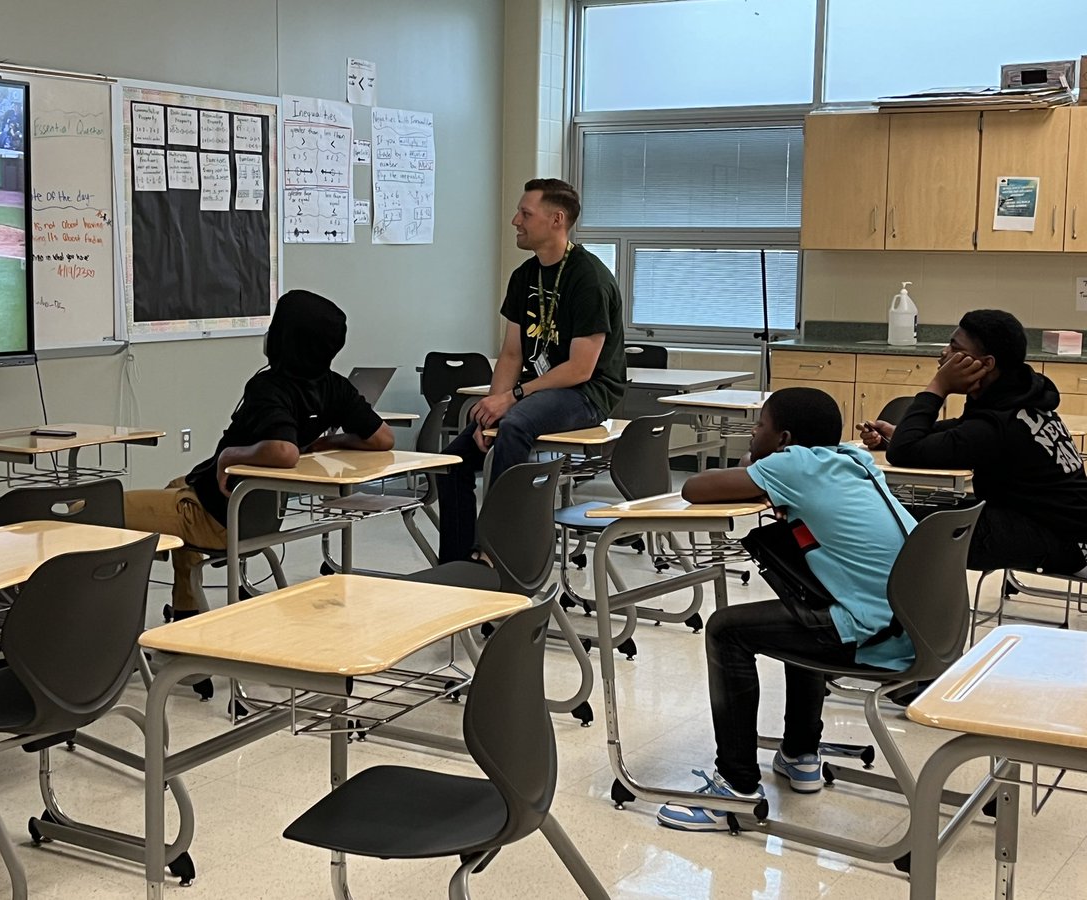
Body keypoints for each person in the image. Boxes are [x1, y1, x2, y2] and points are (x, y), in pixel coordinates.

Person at [657, 387, 916, 831]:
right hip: (915, 626)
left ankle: (735, 790)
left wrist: (755, 462)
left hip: (873, 634)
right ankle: (800, 754)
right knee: (805, 604)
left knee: (726, 629)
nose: (753, 432)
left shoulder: (791, 464)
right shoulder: (855, 460)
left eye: (760, 426)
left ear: (784, 439)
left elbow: (695, 488)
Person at [124, 289, 394, 616]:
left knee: (99, 509)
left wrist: (228, 457)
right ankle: (186, 613)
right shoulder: (333, 386)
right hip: (259, 517)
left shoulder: (270, 388)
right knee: (176, 484)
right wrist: (328, 442)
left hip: (216, 515)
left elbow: (284, 452)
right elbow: (382, 438)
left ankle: (111, 631)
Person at [436, 178, 626, 562]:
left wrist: (514, 397)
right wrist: (493, 404)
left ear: (557, 220)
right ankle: (457, 563)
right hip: (538, 390)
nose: (515, 221)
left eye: (525, 213)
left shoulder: (589, 278)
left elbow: (580, 368)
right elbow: (510, 354)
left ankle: (497, 545)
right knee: (453, 461)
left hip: (587, 393)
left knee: (516, 424)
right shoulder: (525, 276)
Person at [860, 309, 1087, 575]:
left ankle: (903, 607)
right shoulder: (1018, 401)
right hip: (1051, 526)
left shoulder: (998, 425)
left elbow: (905, 452)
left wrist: (938, 387)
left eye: (954, 346)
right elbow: (959, 431)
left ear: (986, 364)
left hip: (1058, 540)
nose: (943, 353)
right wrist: (898, 432)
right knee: (904, 516)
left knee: (895, 526)